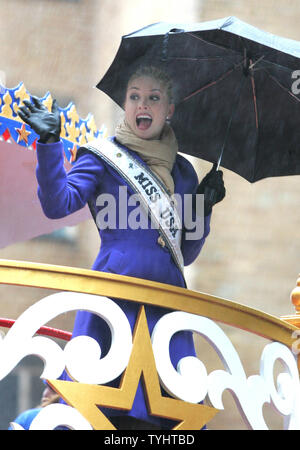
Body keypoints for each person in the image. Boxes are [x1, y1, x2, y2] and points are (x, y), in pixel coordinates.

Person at [18, 65, 225, 429]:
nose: (142, 105)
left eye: (153, 98)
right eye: (134, 96)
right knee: (96, 405)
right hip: (116, 291)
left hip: (166, 300)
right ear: (125, 103)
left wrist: (203, 209)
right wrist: (49, 145)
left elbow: (186, 253)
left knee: (172, 418)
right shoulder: (103, 156)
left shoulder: (183, 173)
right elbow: (57, 205)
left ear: (169, 109)